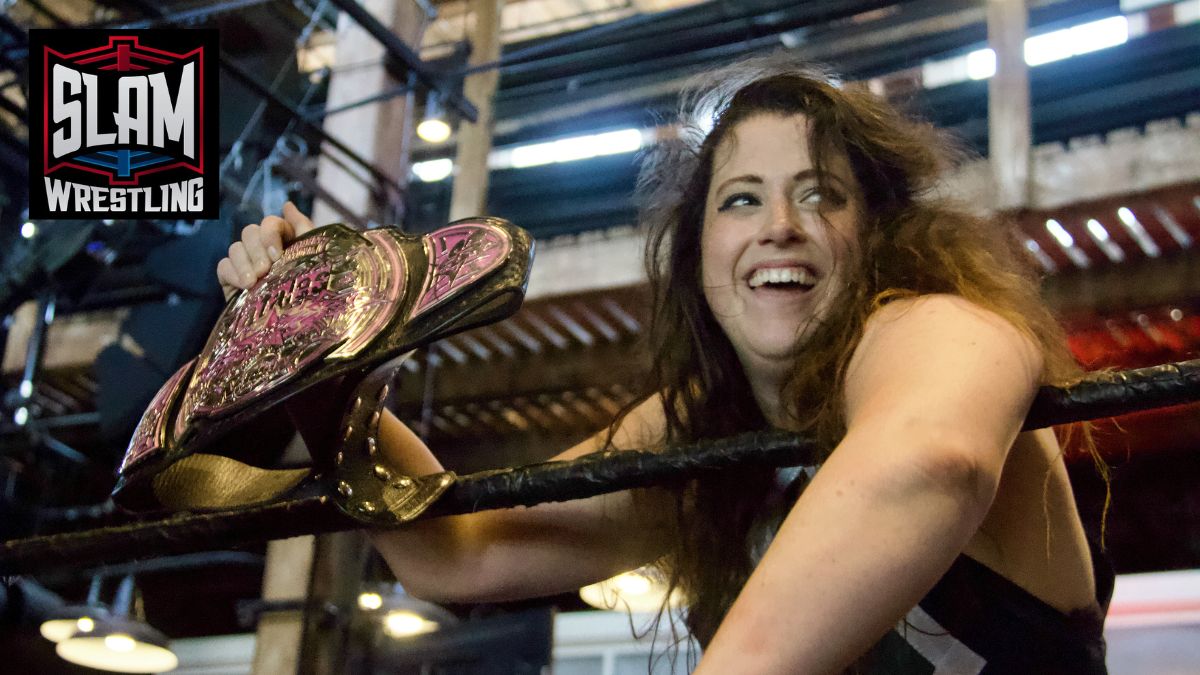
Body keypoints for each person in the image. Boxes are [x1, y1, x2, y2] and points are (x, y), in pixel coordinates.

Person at [217, 56, 1111, 673]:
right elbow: (459, 551)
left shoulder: (945, 325)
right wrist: (318, 369)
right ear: (698, 251)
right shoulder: (704, 422)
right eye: (742, 200)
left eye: (820, 195)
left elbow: (930, 461)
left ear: (877, 235)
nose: (779, 227)